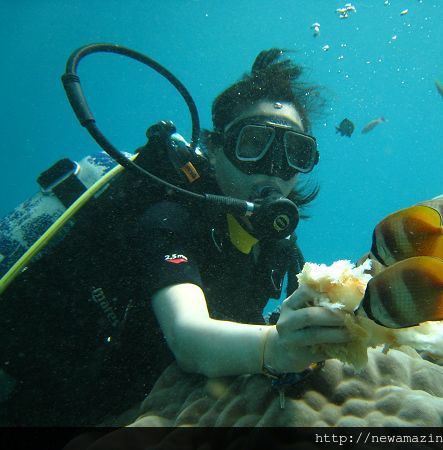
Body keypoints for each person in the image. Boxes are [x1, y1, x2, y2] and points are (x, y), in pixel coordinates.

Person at [0, 48, 351, 426]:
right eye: (253, 144)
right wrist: (276, 348)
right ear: (215, 150)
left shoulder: (274, 248)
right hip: (37, 400)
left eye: (295, 152)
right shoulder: (170, 218)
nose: (274, 168)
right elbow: (188, 338)